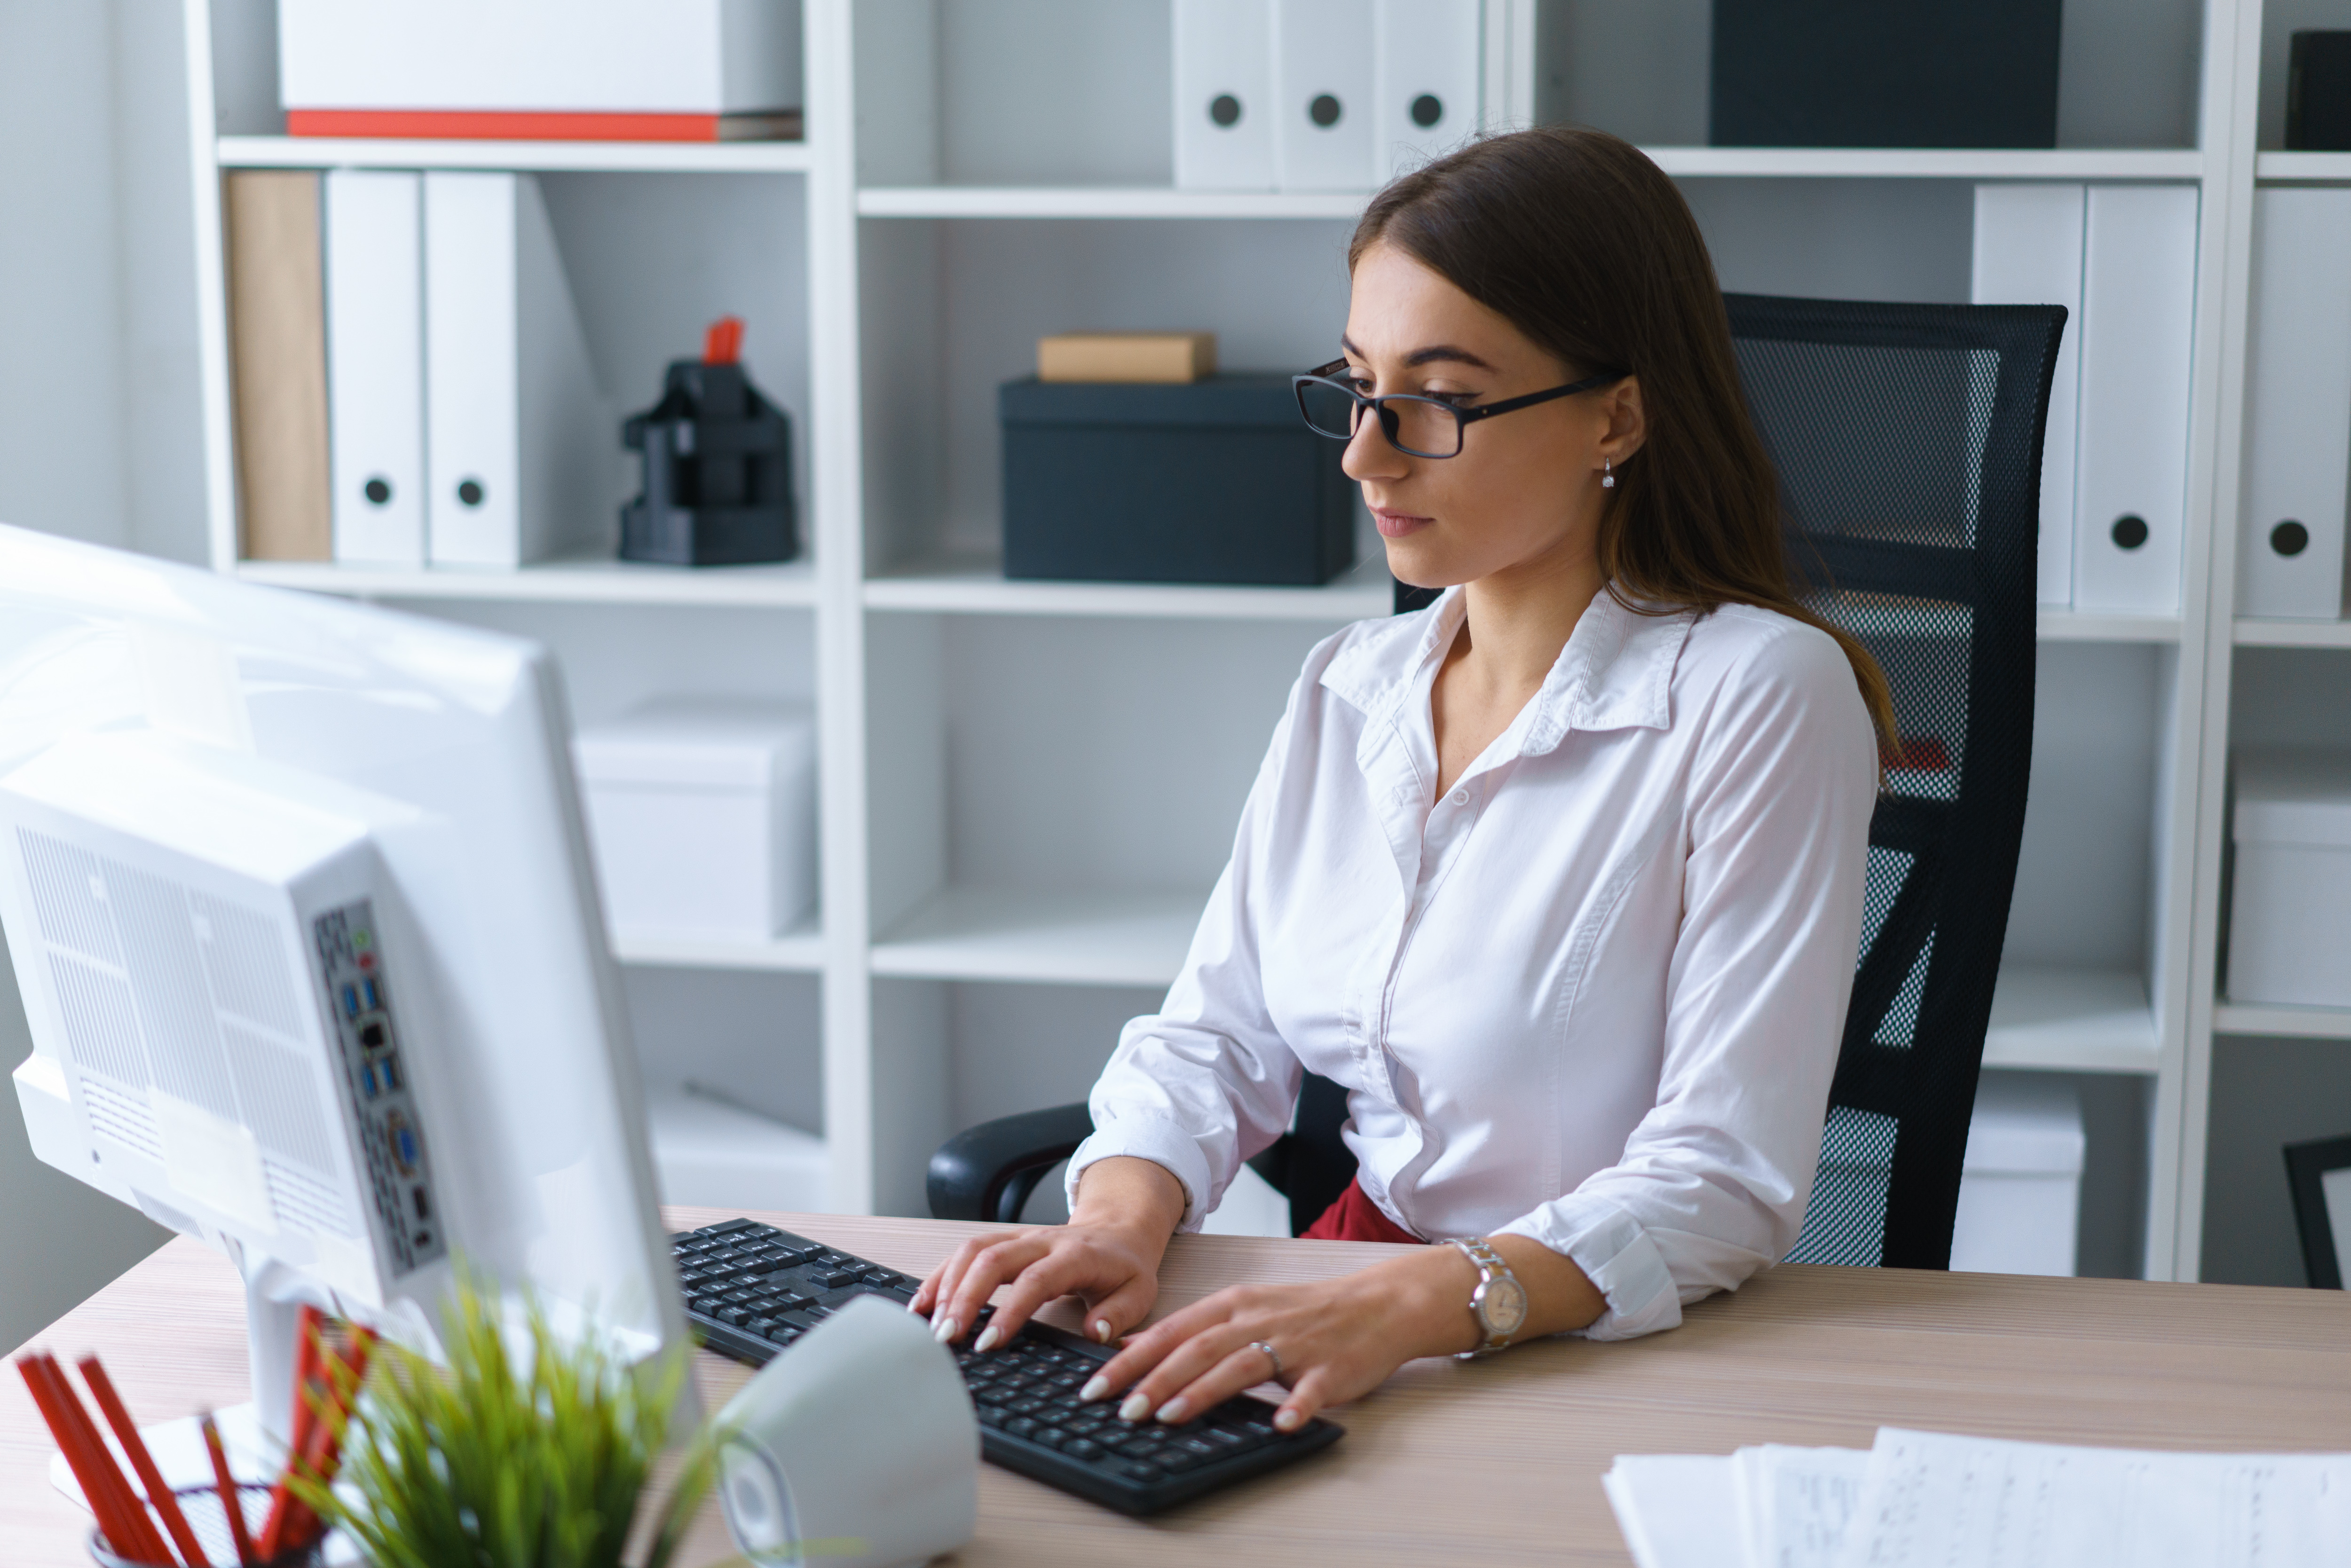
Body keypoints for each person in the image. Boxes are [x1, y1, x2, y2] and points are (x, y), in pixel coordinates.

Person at [909, 125, 1889, 1437]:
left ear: (1617, 412)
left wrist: (1410, 1308)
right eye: (1359, 387)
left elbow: (1725, 1178)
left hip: (1593, 1351)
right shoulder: (1349, 686)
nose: (1365, 458)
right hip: (1359, 1309)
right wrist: (1121, 1220)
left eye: (1439, 400)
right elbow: (1214, 1037)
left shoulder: (1757, 693)